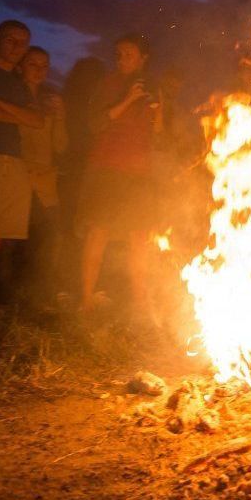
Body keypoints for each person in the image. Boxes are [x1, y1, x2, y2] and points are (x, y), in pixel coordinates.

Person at [76, 35, 164, 319]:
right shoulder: (108, 83)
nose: (121, 58)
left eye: (128, 54)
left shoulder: (151, 88)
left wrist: (157, 111)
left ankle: (140, 303)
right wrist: (128, 99)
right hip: (107, 168)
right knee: (98, 232)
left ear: (143, 58)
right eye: (118, 53)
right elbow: (94, 123)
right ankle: (86, 300)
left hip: (139, 174)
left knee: (138, 238)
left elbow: (158, 134)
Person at [0, 20, 41, 301]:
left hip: (12, 161)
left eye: (23, 43)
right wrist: (16, 114)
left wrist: (1, 103)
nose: (18, 47)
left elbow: (37, 120)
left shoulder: (19, 84)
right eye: (11, 40)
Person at [16, 46, 68, 296]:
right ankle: (3, 295)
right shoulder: (13, 96)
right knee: (10, 239)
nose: (39, 71)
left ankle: (40, 292)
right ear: (21, 65)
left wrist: (60, 116)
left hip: (45, 181)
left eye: (44, 66)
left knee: (52, 235)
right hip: (16, 177)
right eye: (33, 65)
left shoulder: (50, 100)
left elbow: (60, 145)